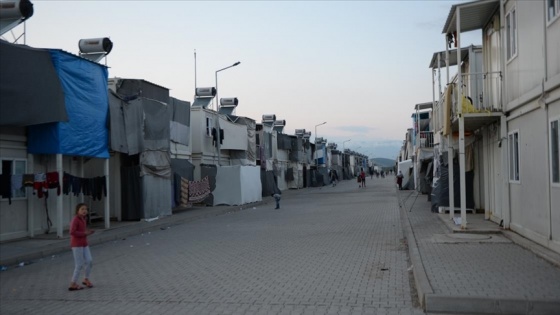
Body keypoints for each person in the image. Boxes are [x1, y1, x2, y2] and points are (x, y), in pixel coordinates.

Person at [68, 203, 95, 291]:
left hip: (84, 243)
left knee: (89, 260)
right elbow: (72, 232)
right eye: (82, 209)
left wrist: (87, 232)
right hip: (76, 245)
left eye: (86, 209)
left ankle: (85, 279)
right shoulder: (75, 219)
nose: (84, 211)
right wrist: (84, 233)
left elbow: (82, 231)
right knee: (79, 264)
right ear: (77, 211)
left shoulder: (84, 219)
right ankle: (73, 283)